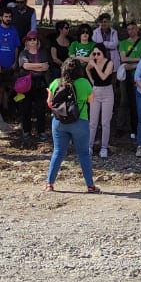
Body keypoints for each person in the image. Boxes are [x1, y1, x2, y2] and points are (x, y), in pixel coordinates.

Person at [45, 57, 100, 193]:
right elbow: (91, 100)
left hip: (59, 122)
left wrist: (48, 94)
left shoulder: (56, 83)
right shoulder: (84, 83)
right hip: (79, 122)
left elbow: (50, 104)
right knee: (83, 153)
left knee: (58, 152)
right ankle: (90, 186)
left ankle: (49, 184)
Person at [17, 31, 50, 142]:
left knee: (41, 108)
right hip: (26, 84)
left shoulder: (43, 52)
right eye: (30, 39)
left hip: (40, 83)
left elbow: (46, 67)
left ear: (37, 41)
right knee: (26, 108)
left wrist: (33, 67)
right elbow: (25, 65)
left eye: (34, 39)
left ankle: (41, 131)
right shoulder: (23, 53)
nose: (32, 41)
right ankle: (26, 131)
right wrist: (39, 66)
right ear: (26, 42)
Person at [85, 44, 116, 157]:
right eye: (94, 54)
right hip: (95, 91)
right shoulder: (93, 62)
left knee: (105, 122)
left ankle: (104, 147)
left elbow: (103, 77)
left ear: (103, 53)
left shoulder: (110, 63)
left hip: (107, 92)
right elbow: (87, 69)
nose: (96, 56)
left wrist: (95, 65)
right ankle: (89, 146)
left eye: (98, 53)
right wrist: (92, 81)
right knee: (93, 122)